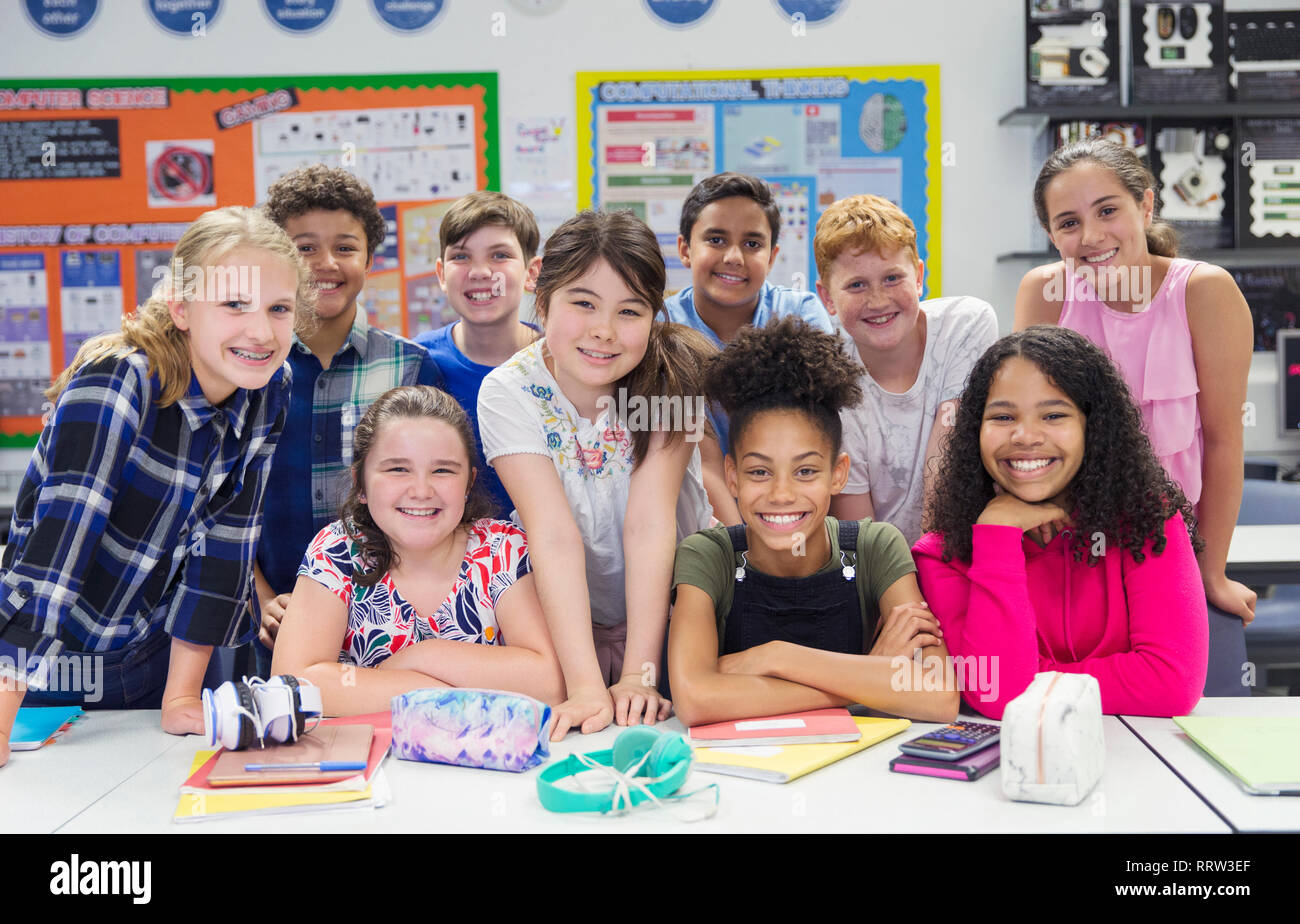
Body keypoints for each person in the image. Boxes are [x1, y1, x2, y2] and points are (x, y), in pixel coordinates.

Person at [0, 206, 312, 767]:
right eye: (234, 304)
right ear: (183, 308)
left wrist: (181, 697)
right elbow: (51, 565)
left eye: (279, 308)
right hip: (38, 670)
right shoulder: (119, 380)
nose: (261, 331)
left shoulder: (271, 383)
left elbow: (226, 547)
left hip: (147, 659)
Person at [478, 209, 715, 740]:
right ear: (541, 293)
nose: (604, 331)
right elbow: (553, 536)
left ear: (655, 315)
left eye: (630, 311)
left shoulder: (670, 379)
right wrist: (585, 684)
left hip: (674, 613)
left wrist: (638, 674)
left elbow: (650, 526)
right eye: (583, 303)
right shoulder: (507, 391)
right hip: (567, 624)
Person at [1013, 139, 1255, 636]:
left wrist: (1210, 571)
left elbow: (1225, 441)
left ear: (1146, 205)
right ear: (1050, 234)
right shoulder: (1043, 292)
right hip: (1067, 551)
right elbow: (1028, 432)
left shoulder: (1203, 292)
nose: (1092, 236)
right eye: (1069, 223)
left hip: (1170, 551)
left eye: (1108, 210)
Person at [667, 317, 957, 727]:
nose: (781, 494)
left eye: (805, 472)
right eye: (759, 473)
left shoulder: (876, 548)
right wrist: (869, 676)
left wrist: (774, 657)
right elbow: (695, 700)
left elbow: (939, 695)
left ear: (838, 474)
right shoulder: (707, 556)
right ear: (731, 476)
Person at [914, 326, 1209, 718]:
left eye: (1054, 414)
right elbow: (998, 692)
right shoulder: (942, 554)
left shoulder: (1146, 520)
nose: (1025, 436)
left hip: (1141, 762)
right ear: (975, 431)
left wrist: (1034, 680)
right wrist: (997, 534)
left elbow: (1172, 682)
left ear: (1093, 427)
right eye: (1002, 416)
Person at [254, 165, 444, 670]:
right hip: (263, 621)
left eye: (344, 247)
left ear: (368, 257)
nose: (325, 263)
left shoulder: (411, 366)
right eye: (305, 247)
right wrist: (259, 595)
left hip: (383, 628)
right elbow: (218, 500)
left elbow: (435, 500)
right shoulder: (249, 365)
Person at [271, 386, 564, 715]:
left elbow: (551, 683)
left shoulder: (502, 551)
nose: (422, 491)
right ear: (361, 484)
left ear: (468, 483)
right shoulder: (337, 551)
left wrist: (424, 656)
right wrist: (435, 692)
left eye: (443, 470)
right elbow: (293, 685)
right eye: (398, 469)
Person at [817, 194, 998, 547]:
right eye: (856, 285)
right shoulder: (827, 369)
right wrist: (902, 593)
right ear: (827, 298)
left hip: (955, 548)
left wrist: (934, 573)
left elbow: (945, 462)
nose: (879, 300)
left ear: (918, 276)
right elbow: (860, 533)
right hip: (878, 570)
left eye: (891, 278)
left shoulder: (966, 324)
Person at [666, 173, 835, 525]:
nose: (734, 257)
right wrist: (740, 546)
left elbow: (811, 434)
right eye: (715, 239)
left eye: (752, 244)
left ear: (772, 257)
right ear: (685, 249)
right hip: (691, 515)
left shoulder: (800, 315)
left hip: (789, 507)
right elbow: (690, 448)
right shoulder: (660, 326)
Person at [413, 191, 543, 518]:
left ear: (532, 272)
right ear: (442, 275)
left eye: (499, 255)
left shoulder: (560, 361)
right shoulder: (417, 362)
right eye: (461, 257)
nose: (481, 272)